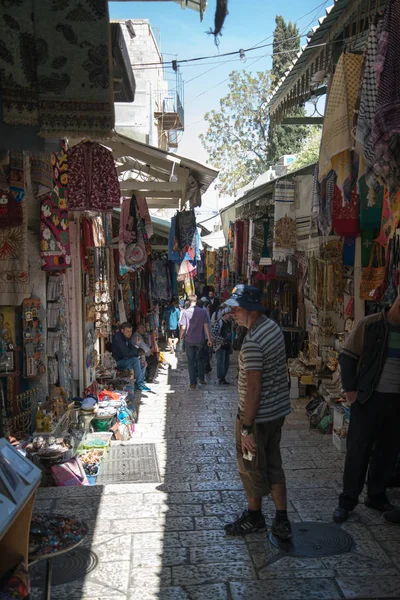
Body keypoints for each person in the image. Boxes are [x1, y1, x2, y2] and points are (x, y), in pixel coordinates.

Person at [223, 285, 292, 540]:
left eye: (236, 309)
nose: (233, 314)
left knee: (250, 465)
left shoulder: (252, 342)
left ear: (249, 310)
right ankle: (282, 519)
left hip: (257, 417)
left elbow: (254, 387)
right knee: (274, 463)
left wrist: (246, 427)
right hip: (276, 413)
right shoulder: (272, 328)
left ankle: (255, 517)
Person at [333, 296, 400, 523]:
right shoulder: (369, 325)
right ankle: (347, 501)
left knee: (387, 452)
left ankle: (376, 496)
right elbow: (347, 356)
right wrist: (351, 391)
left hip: (396, 402)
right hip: (369, 399)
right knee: (358, 452)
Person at [180, 294, 212, 389]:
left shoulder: (185, 312)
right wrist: (209, 338)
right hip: (200, 339)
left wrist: (181, 335)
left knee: (191, 361)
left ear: (188, 302)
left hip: (189, 340)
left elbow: (183, 327)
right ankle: (201, 378)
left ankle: (193, 382)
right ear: (196, 300)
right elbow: (206, 325)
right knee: (200, 359)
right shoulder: (203, 312)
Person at [112, 323, 151, 392]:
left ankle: (137, 384)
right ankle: (140, 384)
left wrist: (140, 358)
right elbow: (127, 353)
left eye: (130, 331)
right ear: (122, 330)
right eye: (127, 331)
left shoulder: (126, 337)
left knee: (141, 364)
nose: (129, 333)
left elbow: (131, 349)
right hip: (118, 362)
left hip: (125, 360)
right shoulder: (119, 339)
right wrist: (137, 345)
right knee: (135, 361)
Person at [212, 307, 232, 385]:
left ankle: (223, 378)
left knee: (226, 363)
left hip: (227, 346)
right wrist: (222, 340)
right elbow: (213, 333)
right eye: (228, 314)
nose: (230, 315)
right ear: (224, 314)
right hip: (220, 346)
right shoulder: (219, 322)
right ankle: (220, 378)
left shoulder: (229, 323)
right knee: (221, 362)